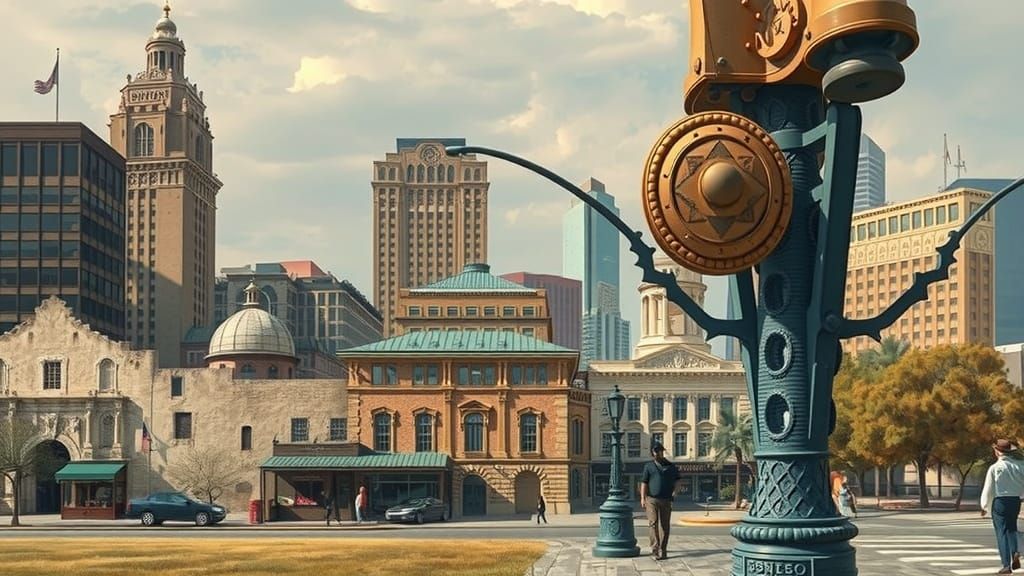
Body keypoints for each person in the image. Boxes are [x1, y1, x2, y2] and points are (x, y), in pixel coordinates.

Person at [980, 439, 1024, 575]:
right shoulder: (1020, 466)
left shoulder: (995, 467)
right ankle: (1016, 550)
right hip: (1015, 501)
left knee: (1001, 532)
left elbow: (988, 488)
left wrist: (984, 506)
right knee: (1012, 528)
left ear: (998, 452)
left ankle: (1006, 565)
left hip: (1000, 501)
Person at [640, 441, 682, 561]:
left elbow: (678, 481)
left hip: (666, 499)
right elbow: (644, 483)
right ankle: (655, 549)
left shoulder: (671, 466)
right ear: (652, 453)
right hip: (651, 499)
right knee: (653, 523)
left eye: (658, 451)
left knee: (665, 526)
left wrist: (676, 492)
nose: (656, 454)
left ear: (662, 452)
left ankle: (663, 549)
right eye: (654, 451)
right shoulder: (648, 466)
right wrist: (642, 498)